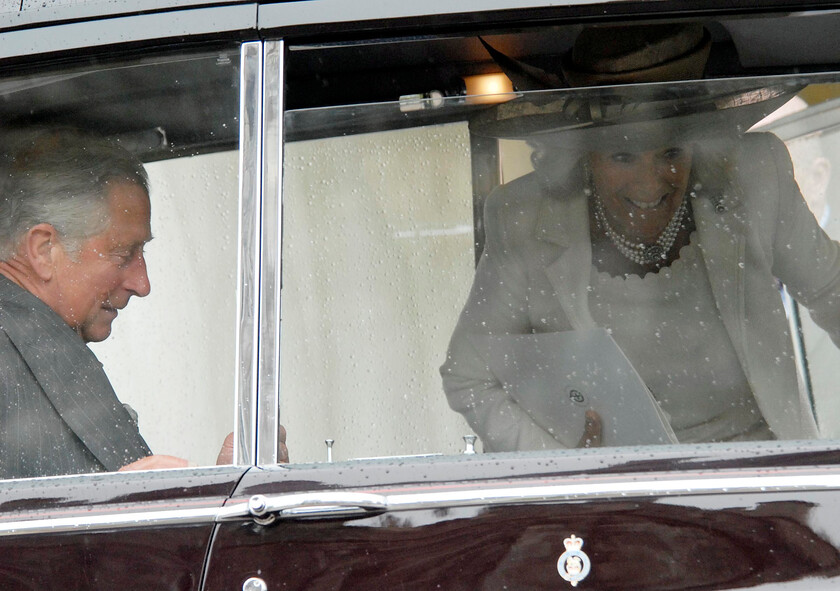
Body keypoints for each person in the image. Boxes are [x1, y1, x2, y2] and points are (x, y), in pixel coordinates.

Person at [440, 24, 840, 452]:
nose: (650, 185)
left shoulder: (755, 174)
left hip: (761, 480)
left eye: (670, 151)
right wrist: (563, 464)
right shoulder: (522, 216)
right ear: (583, 154)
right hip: (617, 498)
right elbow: (470, 378)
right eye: (622, 155)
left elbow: (833, 291)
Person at [0, 129, 286, 478]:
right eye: (123, 253)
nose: (142, 284)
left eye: (142, 252)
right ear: (44, 249)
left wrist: (221, 489)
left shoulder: (37, 342)